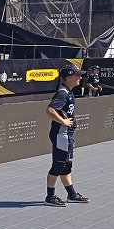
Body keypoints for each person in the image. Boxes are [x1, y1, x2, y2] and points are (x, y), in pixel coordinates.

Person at [44, 65, 90, 207]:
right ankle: (50, 197)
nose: (80, 78)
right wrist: (63, 121)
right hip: (61, 135)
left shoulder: (68, 92)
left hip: (66, 135)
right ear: (69, 77)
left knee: (67, 165)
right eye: (77, 75)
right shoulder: (63, 93)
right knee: (58, 165)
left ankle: (72, 195)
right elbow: (50, 110)